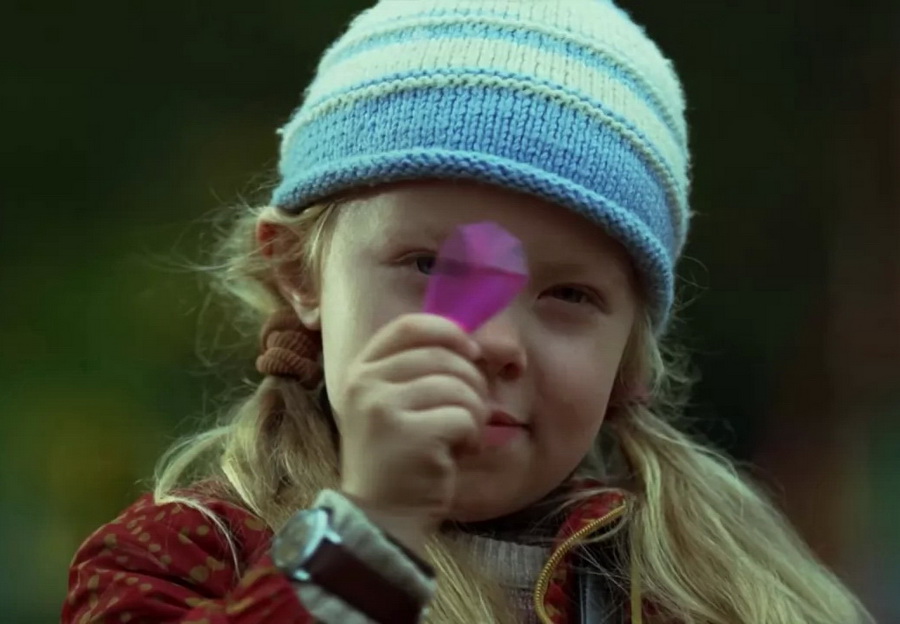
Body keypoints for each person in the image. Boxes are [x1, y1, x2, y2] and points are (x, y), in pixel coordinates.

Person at [62, 1, 875, 623]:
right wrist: (370, 532)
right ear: (298, 274)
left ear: (629, 349)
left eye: (570, 295)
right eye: (432, 267)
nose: (490, 340)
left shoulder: (713, 589)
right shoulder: (179, 557)